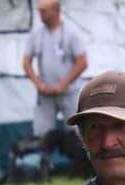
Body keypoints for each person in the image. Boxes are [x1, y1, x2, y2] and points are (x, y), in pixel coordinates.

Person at [22, 0, 88, 137]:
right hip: (45, 93)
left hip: (69, 92)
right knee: (41, 133)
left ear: (55, 11)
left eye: (44, 10)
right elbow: (26, 61)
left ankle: (78, 157)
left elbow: (82, 62)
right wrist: (38, 84)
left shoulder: (71, 33)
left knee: (76, 133)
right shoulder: (37, 34)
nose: (40, 13)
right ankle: (42, 158)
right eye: (39, 10)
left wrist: (63, 85)